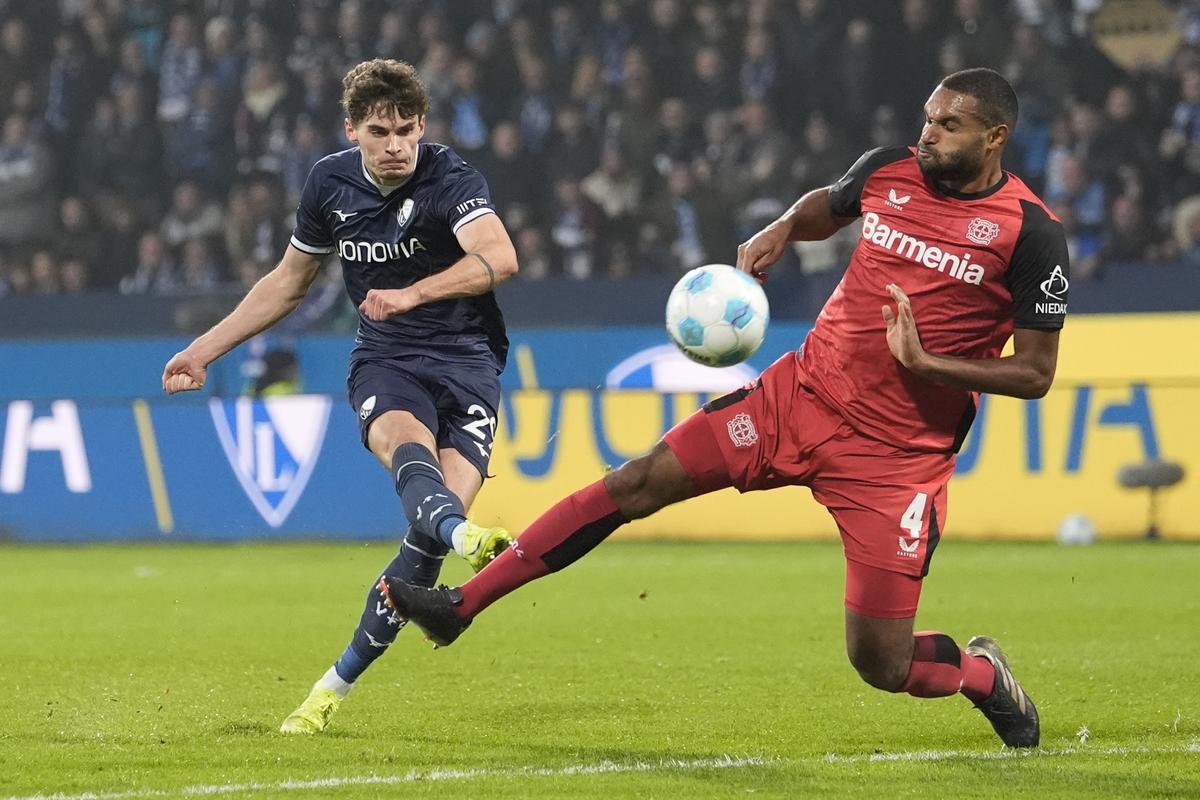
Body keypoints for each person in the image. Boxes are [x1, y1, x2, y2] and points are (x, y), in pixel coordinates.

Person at [381, 68, 1068, 749]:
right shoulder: (890, 170)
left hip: (896, 460)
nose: (927, 134)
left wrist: (927, 365)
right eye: (928, 116)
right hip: (796, 398)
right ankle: (460, 608)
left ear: (994, 137)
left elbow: (1036, 372)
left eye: (949, 125)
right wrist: (782, 229)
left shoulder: (1030, 233)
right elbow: (827, 205)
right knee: (638, 480)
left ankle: (982, 677)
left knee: (881, 662)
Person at [161, 58, 519, 734]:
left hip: (469, 363)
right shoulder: (329, 183)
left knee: (421, 547)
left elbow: (498, 258)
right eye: (380, 132)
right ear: (351, 129)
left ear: (422, 127)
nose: (395, 147)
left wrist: (414, 291)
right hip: (386, 361)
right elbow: (288, 282)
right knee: (404, 447)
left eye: (407, 131)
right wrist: (204, 350)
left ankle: (330, 688)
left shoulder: (453, 179)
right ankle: (464, 532)